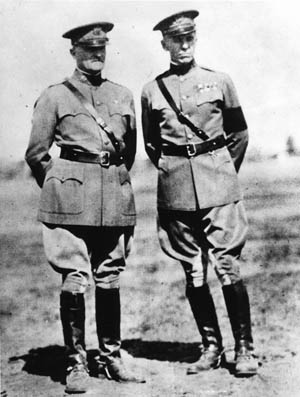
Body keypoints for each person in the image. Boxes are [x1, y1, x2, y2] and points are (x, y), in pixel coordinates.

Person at [25, 22, 144, 393]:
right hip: (70, 201)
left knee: (109, 276)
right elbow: (36, 153)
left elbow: (130, 151)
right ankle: (76, 363)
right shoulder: (55, 96)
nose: (95, 55)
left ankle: (110, 357)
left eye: (101, 49)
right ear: (73, 51)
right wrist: (61, 185)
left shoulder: (122, 95)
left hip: (113, 198)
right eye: (88, 49)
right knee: (75, 278)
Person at [141, 10, 258, 377]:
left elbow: (239, 134)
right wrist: (180, 172)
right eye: (176, 39)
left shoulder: (219, 81)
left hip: (219, 188)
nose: (184, 43)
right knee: (193, 271)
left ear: (196, 37)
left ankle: (244, 349)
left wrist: (221, 171)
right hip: (176, 192)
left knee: (227, 268)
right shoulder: (151, 91)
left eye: (190, 36)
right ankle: (210, 347)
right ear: (165, 44)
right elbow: (151, 145)